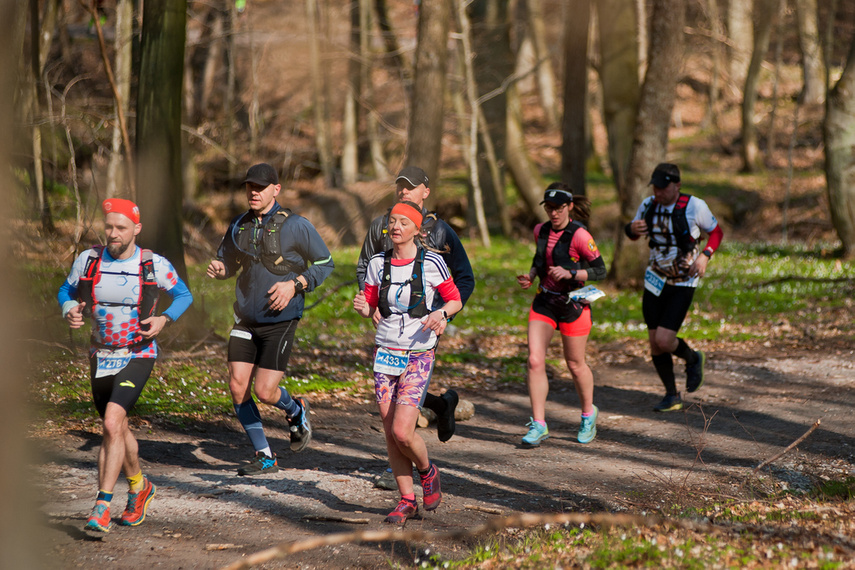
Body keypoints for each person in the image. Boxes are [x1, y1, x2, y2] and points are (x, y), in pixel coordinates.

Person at [57, 198, 193, 533]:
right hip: (100, 354)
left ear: (137, 229)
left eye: (121, 228)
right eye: (109, 227)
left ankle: (102, 505)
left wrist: (164, 319)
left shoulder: (153, 265)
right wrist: (70, 308)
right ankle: (139, 487)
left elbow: (184, 295)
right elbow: (65, 290)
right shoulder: (89, 260)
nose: (113, 234)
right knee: (116, 428)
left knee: (112, 421)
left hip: (138, 353)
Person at [207, 163, 334, 475]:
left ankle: (295, 409)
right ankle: (264, 456)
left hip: (281, 320)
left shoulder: (297, 226)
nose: (254, 192)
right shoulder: (238, 225)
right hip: (245, 320)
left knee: (264, 392)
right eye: (250, 186)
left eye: (261, 187)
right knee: (238, 388)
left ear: (276, 190)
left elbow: (325, 263)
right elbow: (228, 263)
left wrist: (295, 285)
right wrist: (221, 270)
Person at [353, 201, 462, 523]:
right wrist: (363, 307)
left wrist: (441, 313)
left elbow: (454, 299)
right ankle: (406, 499)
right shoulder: (377, 263)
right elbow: (370, 303)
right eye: (392, 221)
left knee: (403, 431)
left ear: (418, 229)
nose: (396, 226)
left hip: (418, 352)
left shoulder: (432, 262)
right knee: (389, 431)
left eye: (403, 221)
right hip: (385, 351)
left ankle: (428, 472)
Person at [356, 166, 475, 443]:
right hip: (388, 322)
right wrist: (372, 305)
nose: (404, 190)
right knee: (399, 389)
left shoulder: (441, 231)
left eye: (411, 186)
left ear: (426, 192)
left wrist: (444, 315)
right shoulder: (380, 225)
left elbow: (464, 279)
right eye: (401, 185)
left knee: (407, 389)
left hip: (425, 323)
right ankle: (440, 407)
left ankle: (401, 456)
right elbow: (365, 267)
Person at [625, 163, 723, 412]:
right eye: (655, 187)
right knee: (654, 342)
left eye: (662, 187)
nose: (657, 192)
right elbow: (634, 232)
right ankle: (671, 395)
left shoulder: (695, 206)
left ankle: (692, 358)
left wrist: (705, 256)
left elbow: (716, 232)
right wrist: (631, 229)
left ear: (676, 185)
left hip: (683, 280)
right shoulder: (648, 205)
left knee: (665, 340)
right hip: (655, 279)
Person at [516, 183, 606, 446]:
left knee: (575, 364)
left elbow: (600, 270)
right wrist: (531, 275)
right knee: (534, 361)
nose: (553, 213)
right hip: (544, 301)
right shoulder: (540, 230)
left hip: (573, 305)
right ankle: (539, 424)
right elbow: (539, 258)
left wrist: (572, 274)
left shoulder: (580, 235)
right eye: (549, 208)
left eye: (558, 208)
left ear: (569, 207)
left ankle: (589, 414)